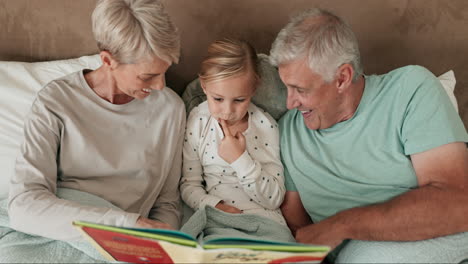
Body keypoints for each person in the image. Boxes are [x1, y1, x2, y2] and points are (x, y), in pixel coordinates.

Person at [270, 8, 468, 263]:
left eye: (300, 89)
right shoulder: (286, 133)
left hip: (443, 237)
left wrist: (342, 225)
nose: (289, 102)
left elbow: (456, 203)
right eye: (286, 86)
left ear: (342, 78)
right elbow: (300, 230)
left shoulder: (409, 89)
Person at [8, 0, 185, 241]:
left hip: (128, 246)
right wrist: (126, 225)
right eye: (148, 76)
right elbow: (23, 206)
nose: (160, 85)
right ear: (107, 60)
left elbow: (167, 203)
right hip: (61, 234)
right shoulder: (55, 102)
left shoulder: (170, 109)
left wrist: (162, 243)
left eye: (164, 71)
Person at [180, 39, 289, 230]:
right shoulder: (198, 122)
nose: (228, 111)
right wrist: (216, 207)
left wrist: (240, 159)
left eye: (239, 100)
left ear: (253, 89)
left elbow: (274, 199)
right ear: (204, 86)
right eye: (218, 99)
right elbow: (189, 186)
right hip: (219, 220)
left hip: (265, 223)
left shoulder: (266, 127)